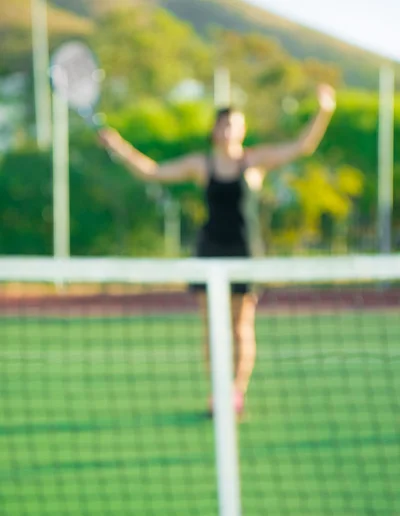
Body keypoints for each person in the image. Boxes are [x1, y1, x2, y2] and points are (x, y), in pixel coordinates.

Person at [99, 84, 337, 417]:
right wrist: (118, 146)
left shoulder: (254, 162)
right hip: (209, 254)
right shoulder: (201, 164)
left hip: (244, 253)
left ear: (243, 130)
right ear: (215, 130)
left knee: (241, 327)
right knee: (213, 328)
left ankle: (236, 393)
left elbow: (303, 146)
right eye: (223, 124)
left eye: (234, 124)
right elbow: (152, 171)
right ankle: (218, 393)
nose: (228, 130)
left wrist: (324, 110)